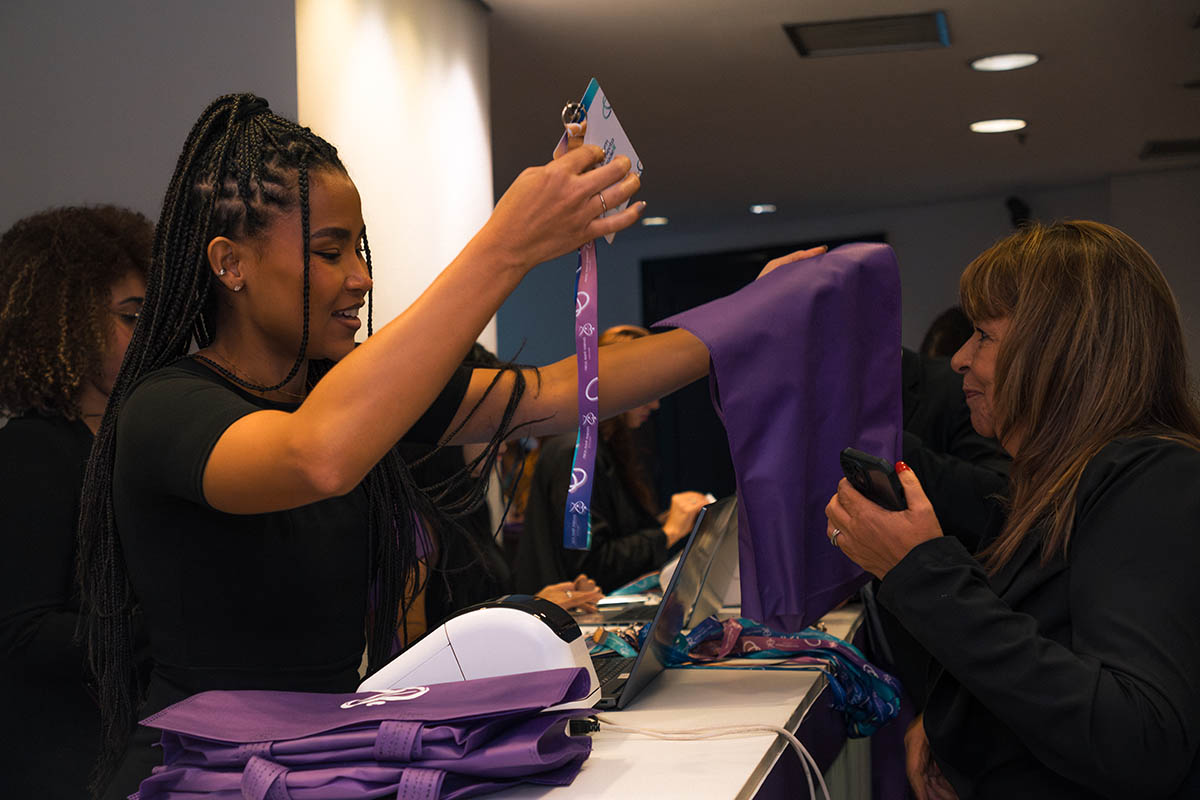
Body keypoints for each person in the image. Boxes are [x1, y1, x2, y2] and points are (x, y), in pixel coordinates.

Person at [76, 94, 817, 798]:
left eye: (359, 250)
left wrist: (746, 319)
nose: (361, 278)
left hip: (316, 764)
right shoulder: (164, 409)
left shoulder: (338, 395)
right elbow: (317, 457)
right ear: (229, 263)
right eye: (330, 253)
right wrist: (506, 245)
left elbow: (559, 391)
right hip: (200, 774)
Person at [826, 220, 1200, 799]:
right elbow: (1045, 657)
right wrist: (953, 718)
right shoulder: (1058, 484)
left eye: (983, 336)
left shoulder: (1152, 477)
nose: (958, 359)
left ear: (1060, 350)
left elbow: (1138, 738)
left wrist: (919, 570)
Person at [0, 205, 153, 797]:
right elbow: (23, 633)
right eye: (131, 317)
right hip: (64, 767)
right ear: (63, 322)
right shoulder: (31, 450)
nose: (150, 334)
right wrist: (171, 624)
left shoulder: (129, 443)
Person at [514, 324, 711, 594]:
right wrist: (669, 532)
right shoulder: (575, 453)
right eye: (649, 388)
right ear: (618, 384)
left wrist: (670, 520)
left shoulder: (603, 447)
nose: (655, 404)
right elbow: (589, 566)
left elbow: (611, 538)